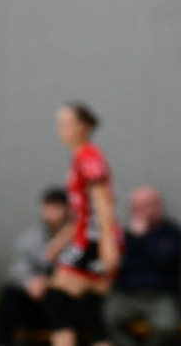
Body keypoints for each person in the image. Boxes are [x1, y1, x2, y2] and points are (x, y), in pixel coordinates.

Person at [44, 103, 121, 346]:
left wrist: (108, 244)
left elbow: (102, 203)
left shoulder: (89, 156)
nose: (61, 129)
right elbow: (81, 212)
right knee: (90, 311)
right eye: (60, 124)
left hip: (93, 242)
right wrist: (60, 240)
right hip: (87, 238)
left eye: (67, 123)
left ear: (84, 127)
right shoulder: (79, 156)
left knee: (57, 300)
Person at [103, 186, 181, 346]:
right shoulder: (122, 235)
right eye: (134, 207)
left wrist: (145, 237)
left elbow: (165, 262)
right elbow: (119, 266)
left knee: (167, 326)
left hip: (159, 295)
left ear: (157, 207)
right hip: (126, 294)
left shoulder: (171, 233)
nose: (138, 212)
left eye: (144, 206)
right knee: (108, 317)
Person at [0, 188, 69, 346]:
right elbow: (18, 267)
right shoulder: (32, 236)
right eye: (47, 206)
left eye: (56, 207)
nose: (50, 212)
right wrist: (31, 282)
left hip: (61, 299)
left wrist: (49, 282)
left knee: (57, 298)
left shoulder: (75, 236)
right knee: (10, 294)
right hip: (36, 299)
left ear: (67, 209)